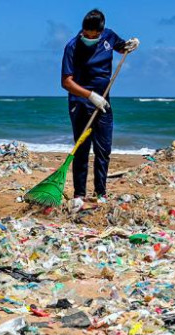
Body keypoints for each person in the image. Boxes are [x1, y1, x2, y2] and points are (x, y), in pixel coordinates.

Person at [60, 9, 138, 203]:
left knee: (103, 149)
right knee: (82, 148)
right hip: (80, 102)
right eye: (86, 33)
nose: (88, 37)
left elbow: (121, 48)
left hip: (104, 101)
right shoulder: (72, 46)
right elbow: (66, 82)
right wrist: (90, 96)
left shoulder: (108, 36)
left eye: (93, 35)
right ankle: (79, 194)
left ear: (100, 32)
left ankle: (101, 193)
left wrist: (130, 45)